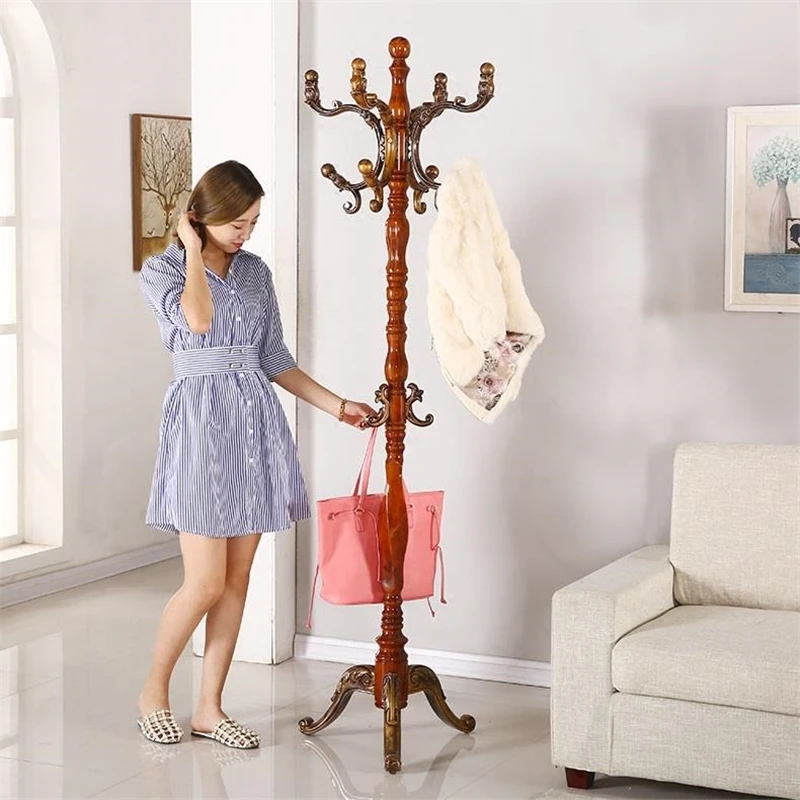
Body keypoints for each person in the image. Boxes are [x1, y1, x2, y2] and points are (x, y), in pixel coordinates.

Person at [136, 160, 373, 750]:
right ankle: (152, 694)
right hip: (199, 425)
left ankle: (209, 709)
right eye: (236, 223)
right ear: (200, 217)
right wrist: (193, 250)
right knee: (203, 582)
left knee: (237, 579)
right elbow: (197, 320)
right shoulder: (162, 270)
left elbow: (273, 358)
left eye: (253, 222)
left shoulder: (256, 273)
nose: (245, 234)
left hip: (254, 426)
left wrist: (338, 405)